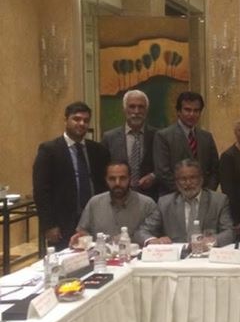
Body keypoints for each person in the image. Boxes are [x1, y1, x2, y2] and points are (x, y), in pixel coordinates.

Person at [32, 101, 110, 251]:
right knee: (66, 261)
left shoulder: (98, 150)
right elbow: (41, 191)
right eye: (76, 119)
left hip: (94, 220)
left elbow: (103, 185)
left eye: (86, 120)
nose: (81, 124)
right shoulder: (49, 150)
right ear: (65, 120)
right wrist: (49, 225)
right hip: (63, 223)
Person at [136, 159, 233, 246]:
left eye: (193, 178)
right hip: (176, 256)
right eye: (183, 179)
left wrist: (211, 241)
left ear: (201, 179)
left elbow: (229, 232)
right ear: (176, 182)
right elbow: (142, 232)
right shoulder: (165, 203)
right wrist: (153, 240)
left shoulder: (218, 201)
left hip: (207, 253)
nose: (188, 183)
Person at [69, 162, 157, 246]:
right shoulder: (94, 203)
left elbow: (153, 239)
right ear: (106, 180)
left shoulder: (147, 205)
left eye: (122, 178)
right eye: (112, 179)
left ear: (130, 179)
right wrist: (80, 238)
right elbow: (82, 232)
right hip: (102, 255)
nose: (117, 183)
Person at [154, 91, 219, 195]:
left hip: (204, 198)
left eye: (196, 110)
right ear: (178, 112)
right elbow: (163, 173)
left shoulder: (207, 137)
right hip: (174, 197)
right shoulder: (164, 136)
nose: (192, 114)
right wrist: (186, 194)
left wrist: (205, 194)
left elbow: (215, 170)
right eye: (187, 110)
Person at [101, 89, 158, 199]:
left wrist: (153, 176)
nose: (136, 111)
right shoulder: (109, 138)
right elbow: (103, 169)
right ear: (124, 109)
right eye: (132, 106)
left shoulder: (157, 136)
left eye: (141, 107)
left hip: (150, 197)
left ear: (146, 110)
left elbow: (164, 165)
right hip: (118, 197)